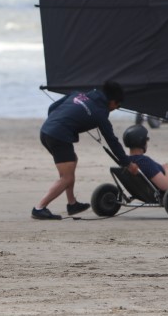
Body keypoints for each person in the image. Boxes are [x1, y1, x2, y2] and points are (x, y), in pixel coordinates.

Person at [33, 81, 139, 220]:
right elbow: (112, 141)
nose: (116, 108)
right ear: (112, 102)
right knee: (67, 178)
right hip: (59, 137)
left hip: (46, 131)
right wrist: (127, 163)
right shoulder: (101, 114)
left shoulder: (79, 94)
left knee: (72, 162)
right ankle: (39, 208)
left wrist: (57, 122)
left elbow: (52, 107)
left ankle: (72, 204)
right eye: (118, 106)